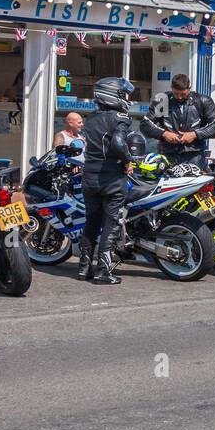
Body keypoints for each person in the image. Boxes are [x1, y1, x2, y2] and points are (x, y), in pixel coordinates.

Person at [79, 77, 138, 286]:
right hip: (111, 177)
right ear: (113, 96)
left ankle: (84, 267)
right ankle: (103, 271)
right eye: (123, 94)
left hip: (89, 176)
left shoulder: (90, 118)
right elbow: (119, 142)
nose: (125, 98)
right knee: (111, 224)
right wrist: (127, 160)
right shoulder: (120, 117)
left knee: (91, 222)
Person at [140, 73, 215, 167]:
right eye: (176, 93)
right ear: (171, 87)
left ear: (189, 88)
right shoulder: (163, 100)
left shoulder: (202, 100)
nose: (179, 97)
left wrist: (195, 134)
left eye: (183, 94)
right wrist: (164, 134)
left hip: (194, 155)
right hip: (168, 154)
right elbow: (145, 124)